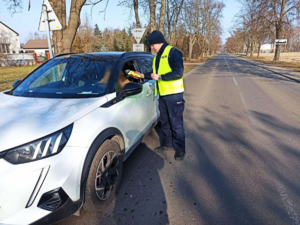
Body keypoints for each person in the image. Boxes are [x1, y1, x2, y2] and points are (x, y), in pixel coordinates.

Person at [130, 30, 186, 161]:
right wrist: (142, 75)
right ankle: (167, 144)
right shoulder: (157, 57)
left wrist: (161, 77)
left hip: (174, 96)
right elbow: (154, 73)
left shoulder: (173, 53)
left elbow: (179, 72)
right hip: (162, 95)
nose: (151, 47)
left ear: (158, 42)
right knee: (165, 122)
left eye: (152, 45)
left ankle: (180, 149)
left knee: (176, 124)